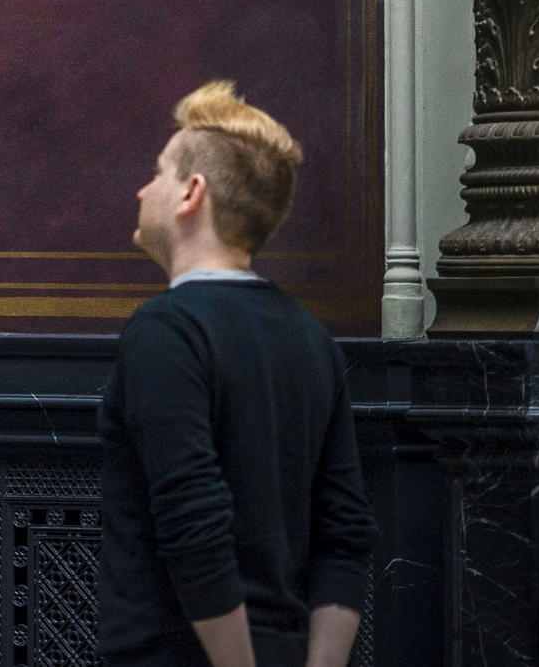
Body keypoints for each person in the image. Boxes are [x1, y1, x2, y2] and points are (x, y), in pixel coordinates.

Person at [96, 81, 376, 667]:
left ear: (191, 193)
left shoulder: (165, 332)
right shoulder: (311, 337)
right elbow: (345, 534)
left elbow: (193, 518)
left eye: (159, 171)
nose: (143, 188)